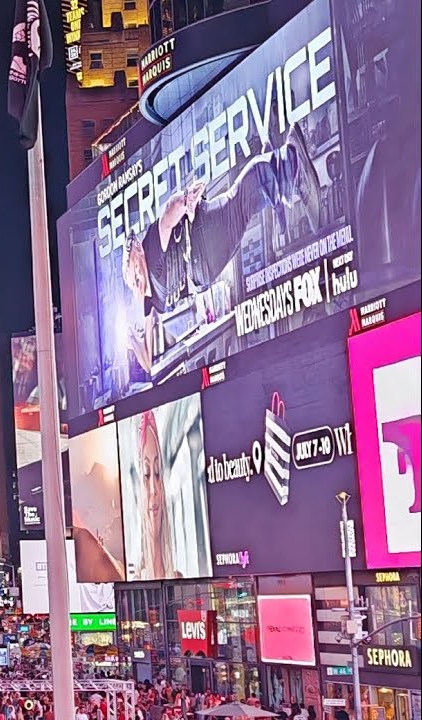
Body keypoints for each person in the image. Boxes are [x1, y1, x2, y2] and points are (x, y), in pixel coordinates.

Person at [122, 124, 321, 375]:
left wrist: (184, 201)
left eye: (135, 274)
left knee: (239, 206)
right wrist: (133, 343)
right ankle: (283, 174)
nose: (137, 281)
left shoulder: (151, 252)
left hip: (202, 251)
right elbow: (149, 364)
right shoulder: (147, 302)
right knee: (241, 206)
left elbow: (166, 220)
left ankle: (285, 169)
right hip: (203, 256)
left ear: (137, 254)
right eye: (133, 281)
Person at [132, 411, 173, 580]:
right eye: (147, 474)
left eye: (157, 473)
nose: (153, 490)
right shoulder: (135, 579)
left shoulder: (178, 576)